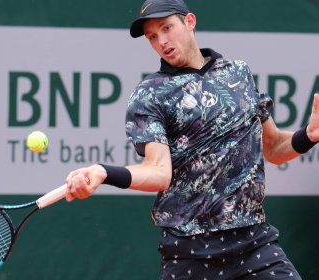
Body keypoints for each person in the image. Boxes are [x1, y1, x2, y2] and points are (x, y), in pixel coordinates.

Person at [64, 0, 319, 279]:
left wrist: (308, 135)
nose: (162, 41)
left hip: (254, 245)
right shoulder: (150, 95)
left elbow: (273, 148)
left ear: (190, 22)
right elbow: (158, 172)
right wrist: (104, 172)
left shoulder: (238, 73)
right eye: (152, 36)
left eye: (166, 28)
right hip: (191, 255)